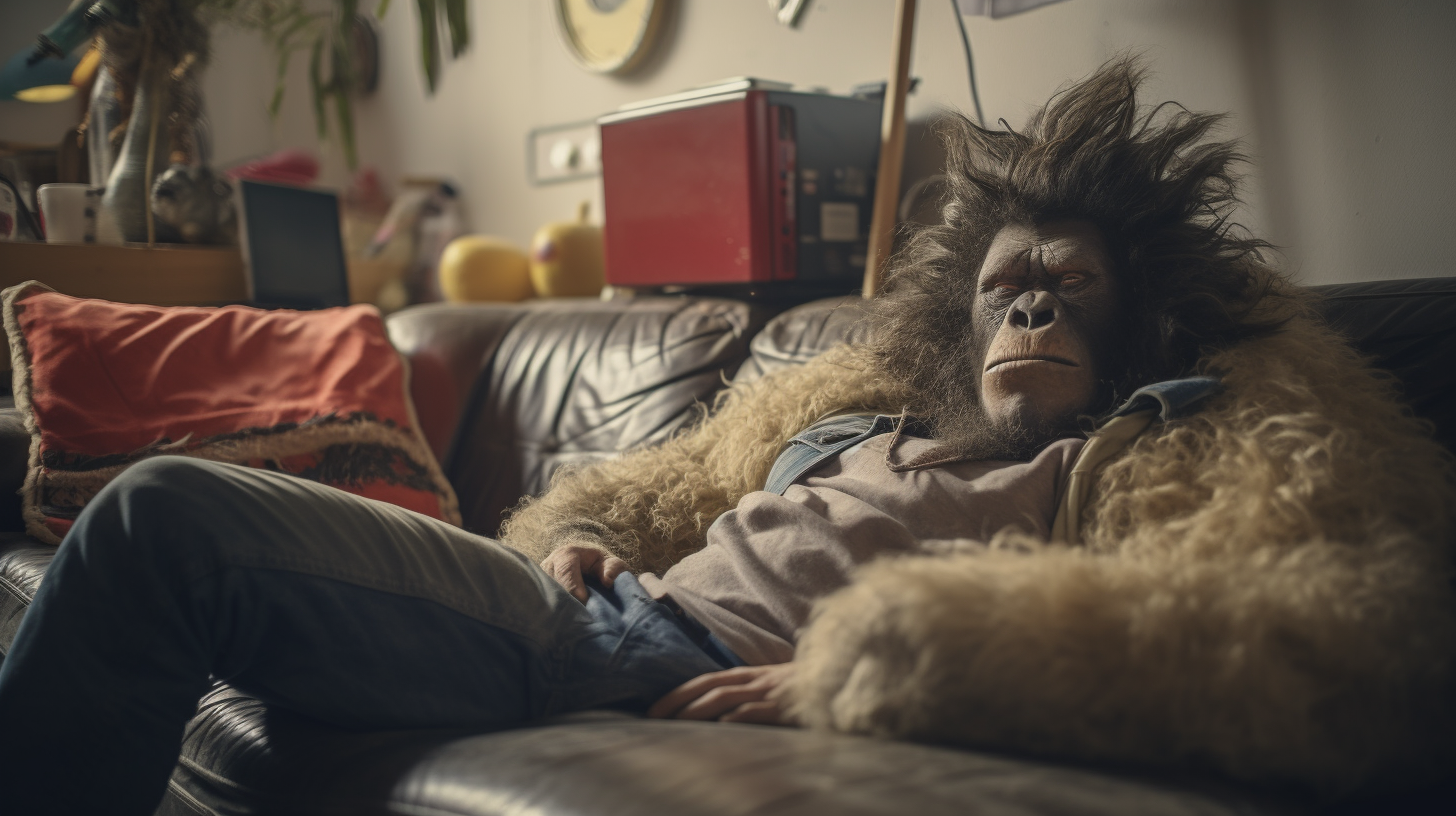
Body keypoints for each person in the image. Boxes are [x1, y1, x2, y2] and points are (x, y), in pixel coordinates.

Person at [1, 59, 1451, 816]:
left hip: (630, 666)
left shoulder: (1111, 463)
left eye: (1071, 293)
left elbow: (1317, 634)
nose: (1029, 315)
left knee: (162, 519)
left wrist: (853, 670)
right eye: (1006, 289)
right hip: (585, 610)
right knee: (163, 519)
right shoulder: (863, 419)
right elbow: (655, 496)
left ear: (1135, 327)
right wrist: (573, 534)